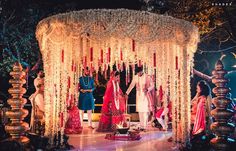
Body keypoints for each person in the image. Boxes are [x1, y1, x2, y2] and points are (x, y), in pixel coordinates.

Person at [125, 66, 154, 131]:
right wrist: (127, 93)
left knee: (145, 112)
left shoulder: (147, 77)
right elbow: (131, 85)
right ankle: (141, 126)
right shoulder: (135, 77)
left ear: (142, 71)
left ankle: (145, 126)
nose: (138, 74)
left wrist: (147, 89)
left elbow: (152, 85)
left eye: (139, 72)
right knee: (140, 112)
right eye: (137, 73)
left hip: (146, 96)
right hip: (139, 97)